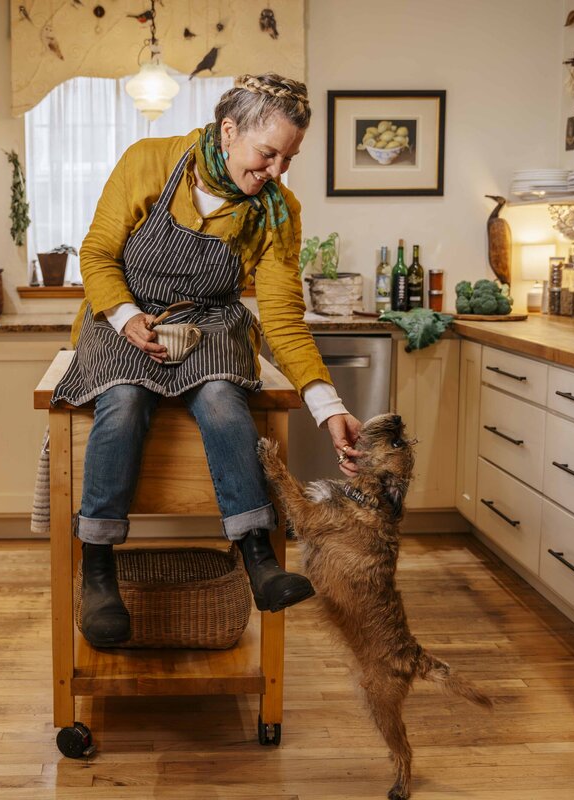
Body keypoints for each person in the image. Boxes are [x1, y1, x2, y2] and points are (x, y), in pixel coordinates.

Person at [51, 73, 363, 647]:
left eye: (287, 160)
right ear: (228, 130)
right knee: (121, 401)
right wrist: (124, 317)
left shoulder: (276, 211)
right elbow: (96, 254)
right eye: (268, 154)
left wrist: (328, 405)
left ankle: (257, 559)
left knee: (223, 398)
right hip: (124, 313)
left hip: (210, 321)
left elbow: (283, 316)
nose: (276, 173)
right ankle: (97, 571)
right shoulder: (150, 162)